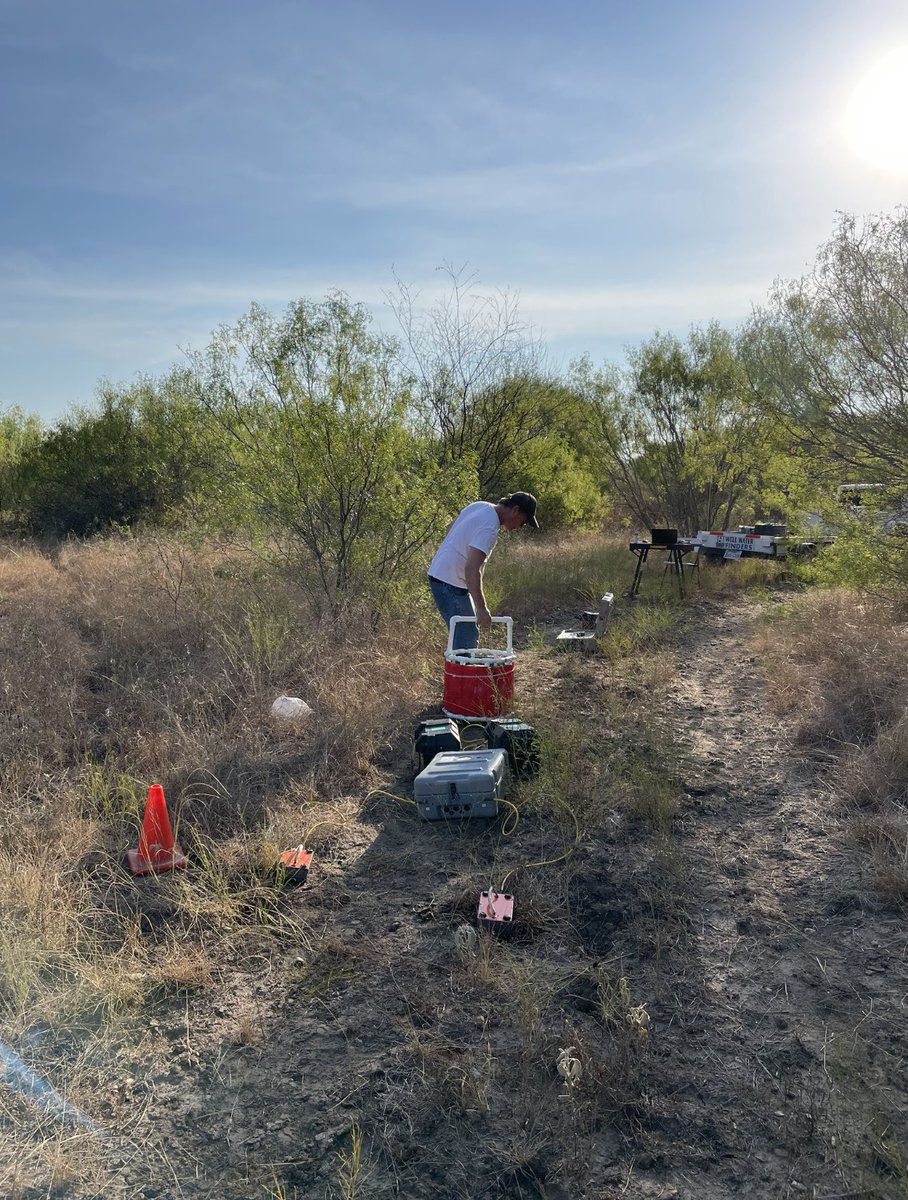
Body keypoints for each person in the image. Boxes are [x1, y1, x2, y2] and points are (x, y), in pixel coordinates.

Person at [427, 492, 539, 650]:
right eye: (524, 522)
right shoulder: (489, 528)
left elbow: (449, 528)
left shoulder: (480, 506)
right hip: (449, 584)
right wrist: (481, 609)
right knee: (466, 637)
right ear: (515, 510)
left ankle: (460, 672)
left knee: (464, 634)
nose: (520, 527)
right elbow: (472, 569)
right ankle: (462, 674)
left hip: (441, 576)